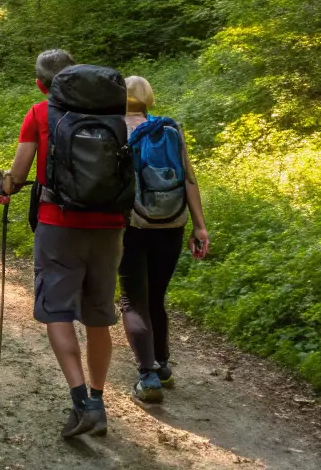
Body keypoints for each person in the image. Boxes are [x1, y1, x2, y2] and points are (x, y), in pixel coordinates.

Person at [2, 49, 124, 439]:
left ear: (40, 83)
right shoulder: (115, 115)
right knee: (98, 314)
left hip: (59, 224)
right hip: (110, 225)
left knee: (57, 310)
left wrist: (6, 185)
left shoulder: (39, 114)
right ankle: (99, 400)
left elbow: (19, 174)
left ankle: (80, 403)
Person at [117, 75, 210, 403]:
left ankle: (148, 376)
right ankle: (164, 364)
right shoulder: (170, 129)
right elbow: (189, 179)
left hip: (131, 224)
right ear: (149, 98)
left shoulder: (114, 129)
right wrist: (200, 226)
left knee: (132, 299)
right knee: (157, 296)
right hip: (172, 224)